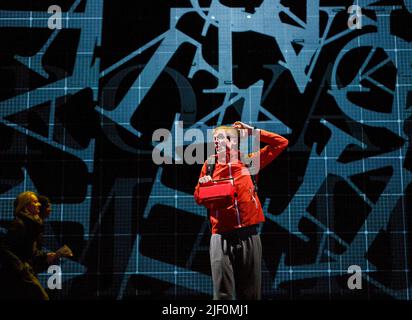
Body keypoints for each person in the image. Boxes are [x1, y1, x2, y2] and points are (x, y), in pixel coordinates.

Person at [194, 121, 288, 300]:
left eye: (221, 138)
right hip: (220, 234)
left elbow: (281, 143)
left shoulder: (249, 161)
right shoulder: (210, 165)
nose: (217, 142)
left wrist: (253, 131)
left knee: (251, 292)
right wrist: (203, 185)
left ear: (234, 141)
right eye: (214, 139)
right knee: (222, 293)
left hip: (248, 232)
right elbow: (198, 197)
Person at [0, 191, 60, 300]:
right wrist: (20, 267)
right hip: (19, 274)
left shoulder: (31, 225)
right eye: (35, 202)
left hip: (24, 272)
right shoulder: (20, 224)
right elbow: (5, 248)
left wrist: (45, 256)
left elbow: (30, 251)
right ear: (26, 206)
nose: (39, 205)